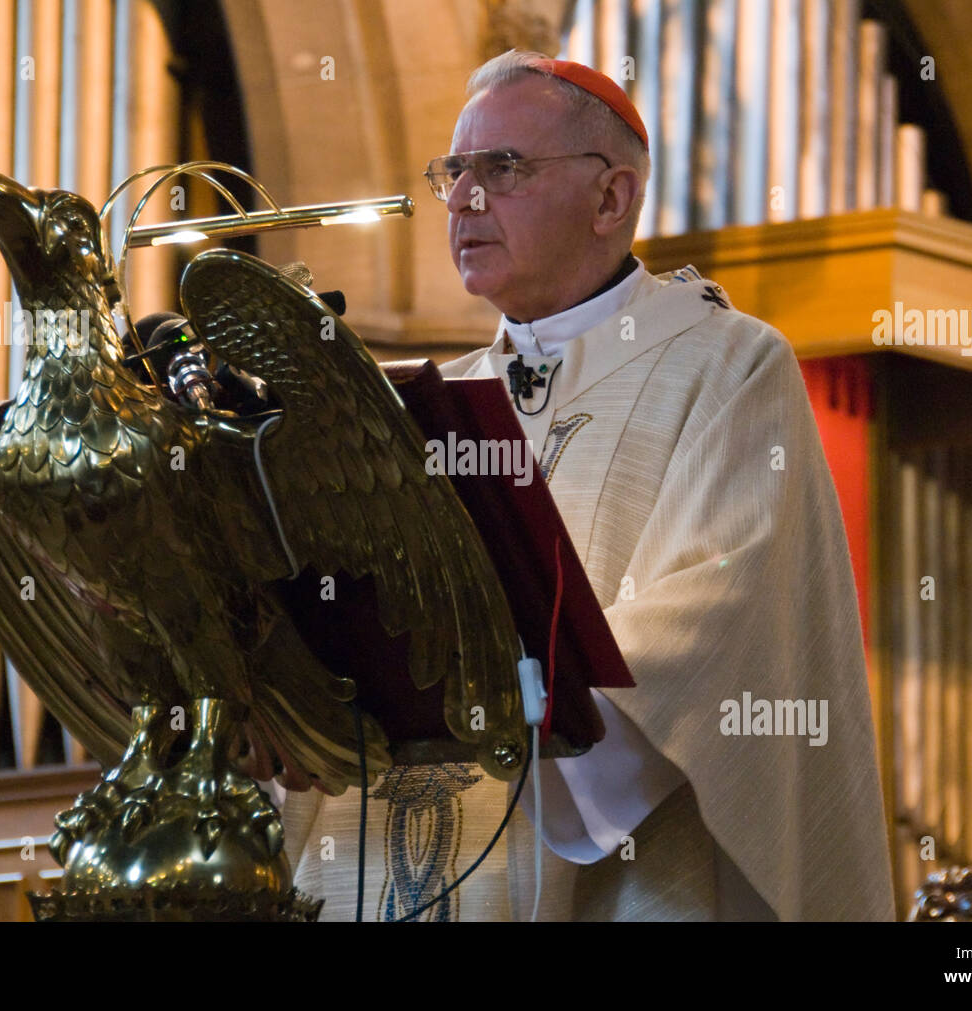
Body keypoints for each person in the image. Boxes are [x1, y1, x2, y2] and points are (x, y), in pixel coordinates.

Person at [277, 49, 895, 921]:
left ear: (612, 198)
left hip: (606, 883)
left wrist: (505, 700)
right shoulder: (420, 406)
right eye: (454, 171)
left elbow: (715, 616)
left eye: (503, 168)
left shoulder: (727, 365)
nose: (462, 198)